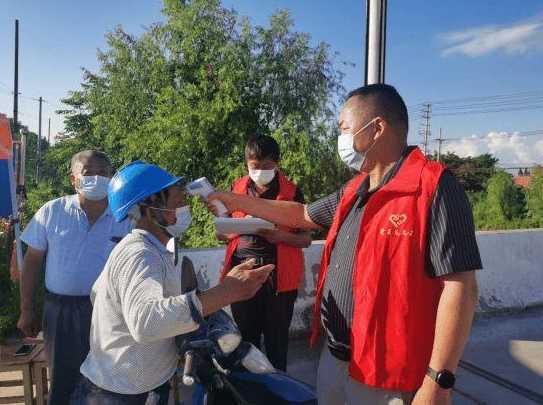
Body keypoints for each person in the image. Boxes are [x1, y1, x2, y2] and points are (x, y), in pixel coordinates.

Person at [208, 84, 482, 405]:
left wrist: (438, 380)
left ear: (377, 128)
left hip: (389, 376)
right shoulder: (353, 191)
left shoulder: (433, 188)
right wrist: (231, 198)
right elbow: (300, 214)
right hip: (335, 360)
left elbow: (461, 288)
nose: (340, 139)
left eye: (344, 128)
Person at [71, 161, 273, 404]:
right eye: (177, 204)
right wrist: (226, 292)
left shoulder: (156, 250)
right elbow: (145, 322)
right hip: (115, 394)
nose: (183, 211)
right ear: (149, 207)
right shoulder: (139, 254)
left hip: (142, 385)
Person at [17, 150, 132, 405]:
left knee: (109, 379)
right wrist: (26, 308)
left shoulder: (126, 216)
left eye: (103, 173)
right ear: (74, 179)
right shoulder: (52, 211)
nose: (96, 178)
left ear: (113, 178)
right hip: (61, 312)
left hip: (111, 311)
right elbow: (32, 261)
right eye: (88, 173)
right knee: (64, 381)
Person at [218, 135, 311, 371]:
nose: (260, 171)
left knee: (277, 345)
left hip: (278, 282)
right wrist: (243, 225)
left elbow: (305, 240)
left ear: (277, 163)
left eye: (266, 166)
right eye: (254, 166)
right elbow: (222, 234)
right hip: (241, 275)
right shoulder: (236, 190)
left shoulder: (292, 193)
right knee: (246, 345)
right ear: (247, 164)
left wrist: (281, 237)